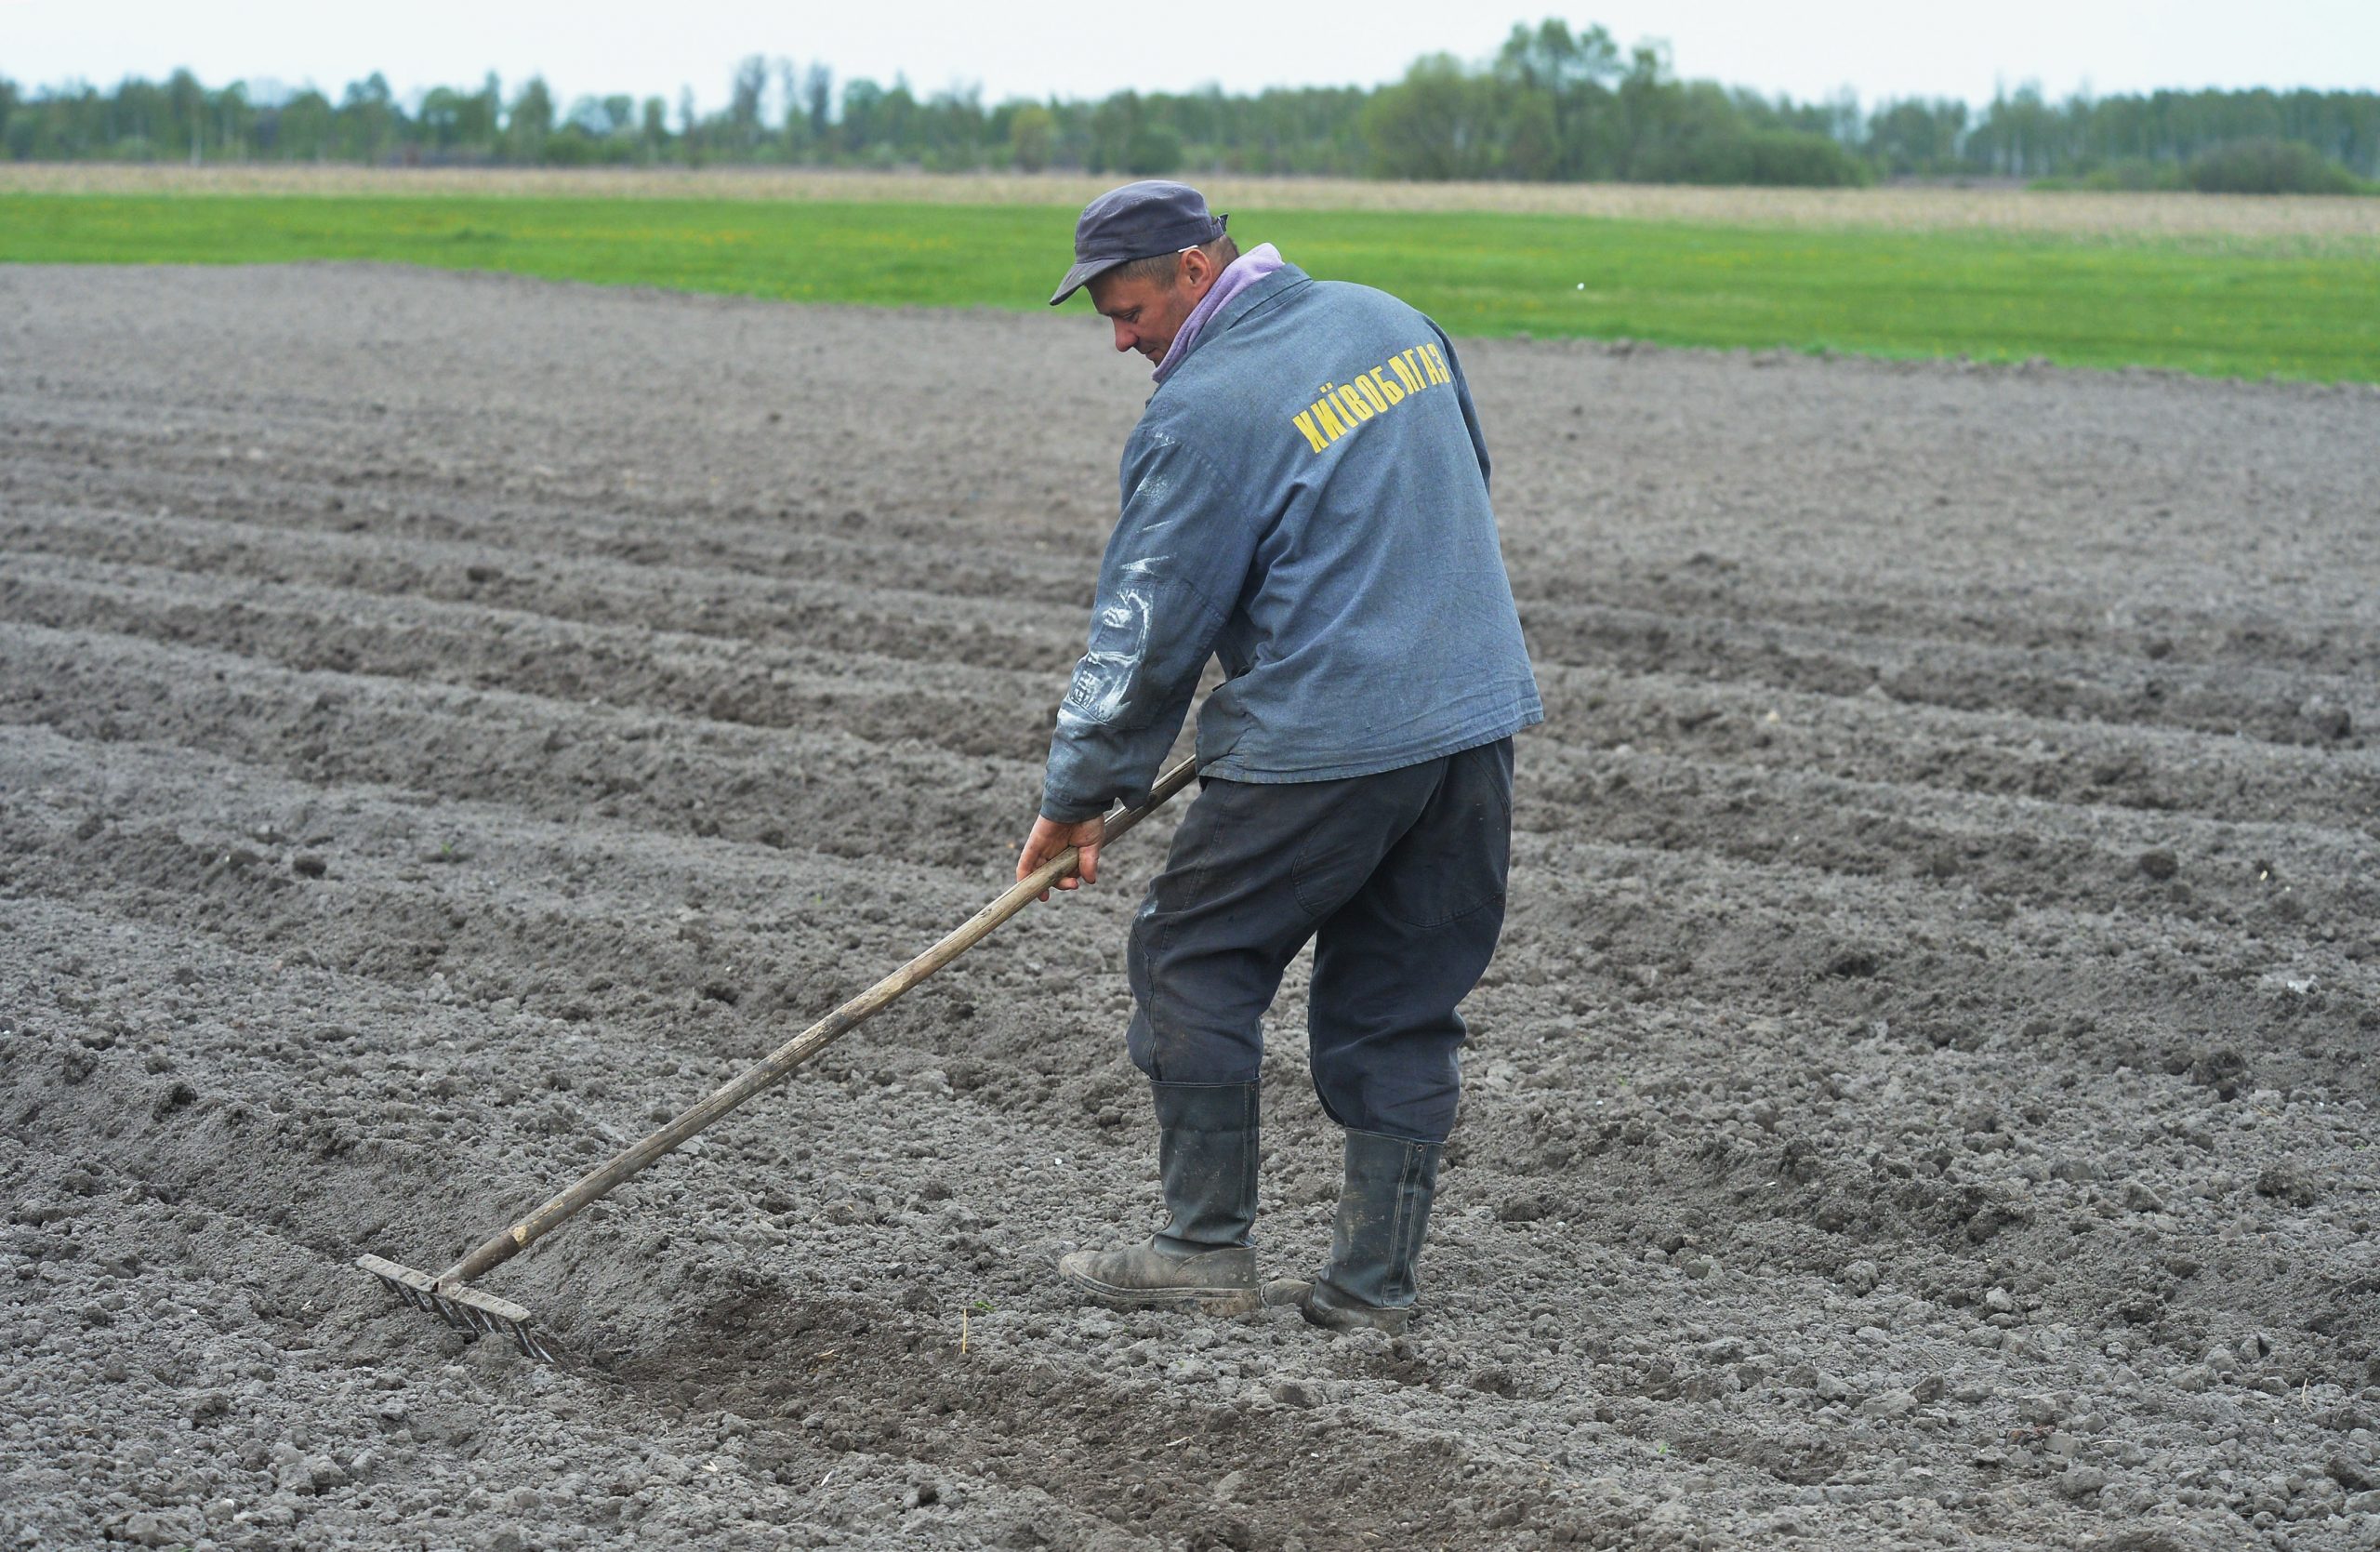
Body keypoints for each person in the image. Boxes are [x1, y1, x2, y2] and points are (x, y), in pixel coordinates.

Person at [1016, 180, 1541, 1334]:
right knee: (1401, 997)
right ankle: (1371, 1287)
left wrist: (1077, 794)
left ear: (1196, 271)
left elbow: (1147, 627)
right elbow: (1467, 487)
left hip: (1328, 731)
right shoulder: (1392, 321)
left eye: (1129, 306)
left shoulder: (1202, 409)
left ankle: (1202, 1248)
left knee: (1195, 952)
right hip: (1470, 716)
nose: (1119, 337)